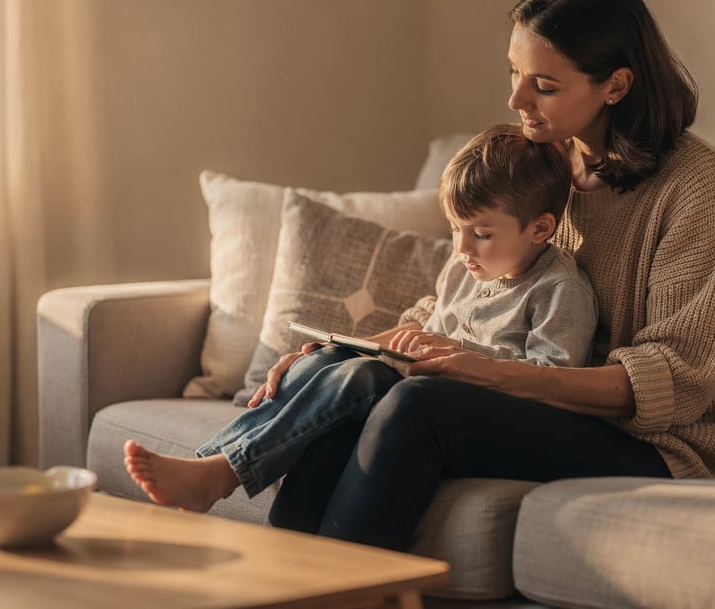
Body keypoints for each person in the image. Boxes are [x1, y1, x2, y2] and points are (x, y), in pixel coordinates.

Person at [135, 0, 715, 553]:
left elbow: (676, 381)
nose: (517, 97)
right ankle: (285, 572)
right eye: (514, 72)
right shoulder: (542, 165)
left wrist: (485, 373)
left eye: (544, 85)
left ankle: (341, 592)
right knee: (360, 381)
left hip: (654, 442)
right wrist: (347, 350)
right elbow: (453, 307)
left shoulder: (698, 186)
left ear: (616, 85)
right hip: (542, 404)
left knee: (418, 407)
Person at [123, 123, 598, 513]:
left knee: (360, 379)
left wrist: (464, 354)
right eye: (455, 229)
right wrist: (339, 346)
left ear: (540, 228)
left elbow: (553, 383)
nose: (462, 248)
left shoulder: (559, 289)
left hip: (466, 413)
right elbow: (422, 320)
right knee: (317, 363)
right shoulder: (463, 269)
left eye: (481, 233)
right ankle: (214, 464)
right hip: (418, 383)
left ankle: (222, 473)